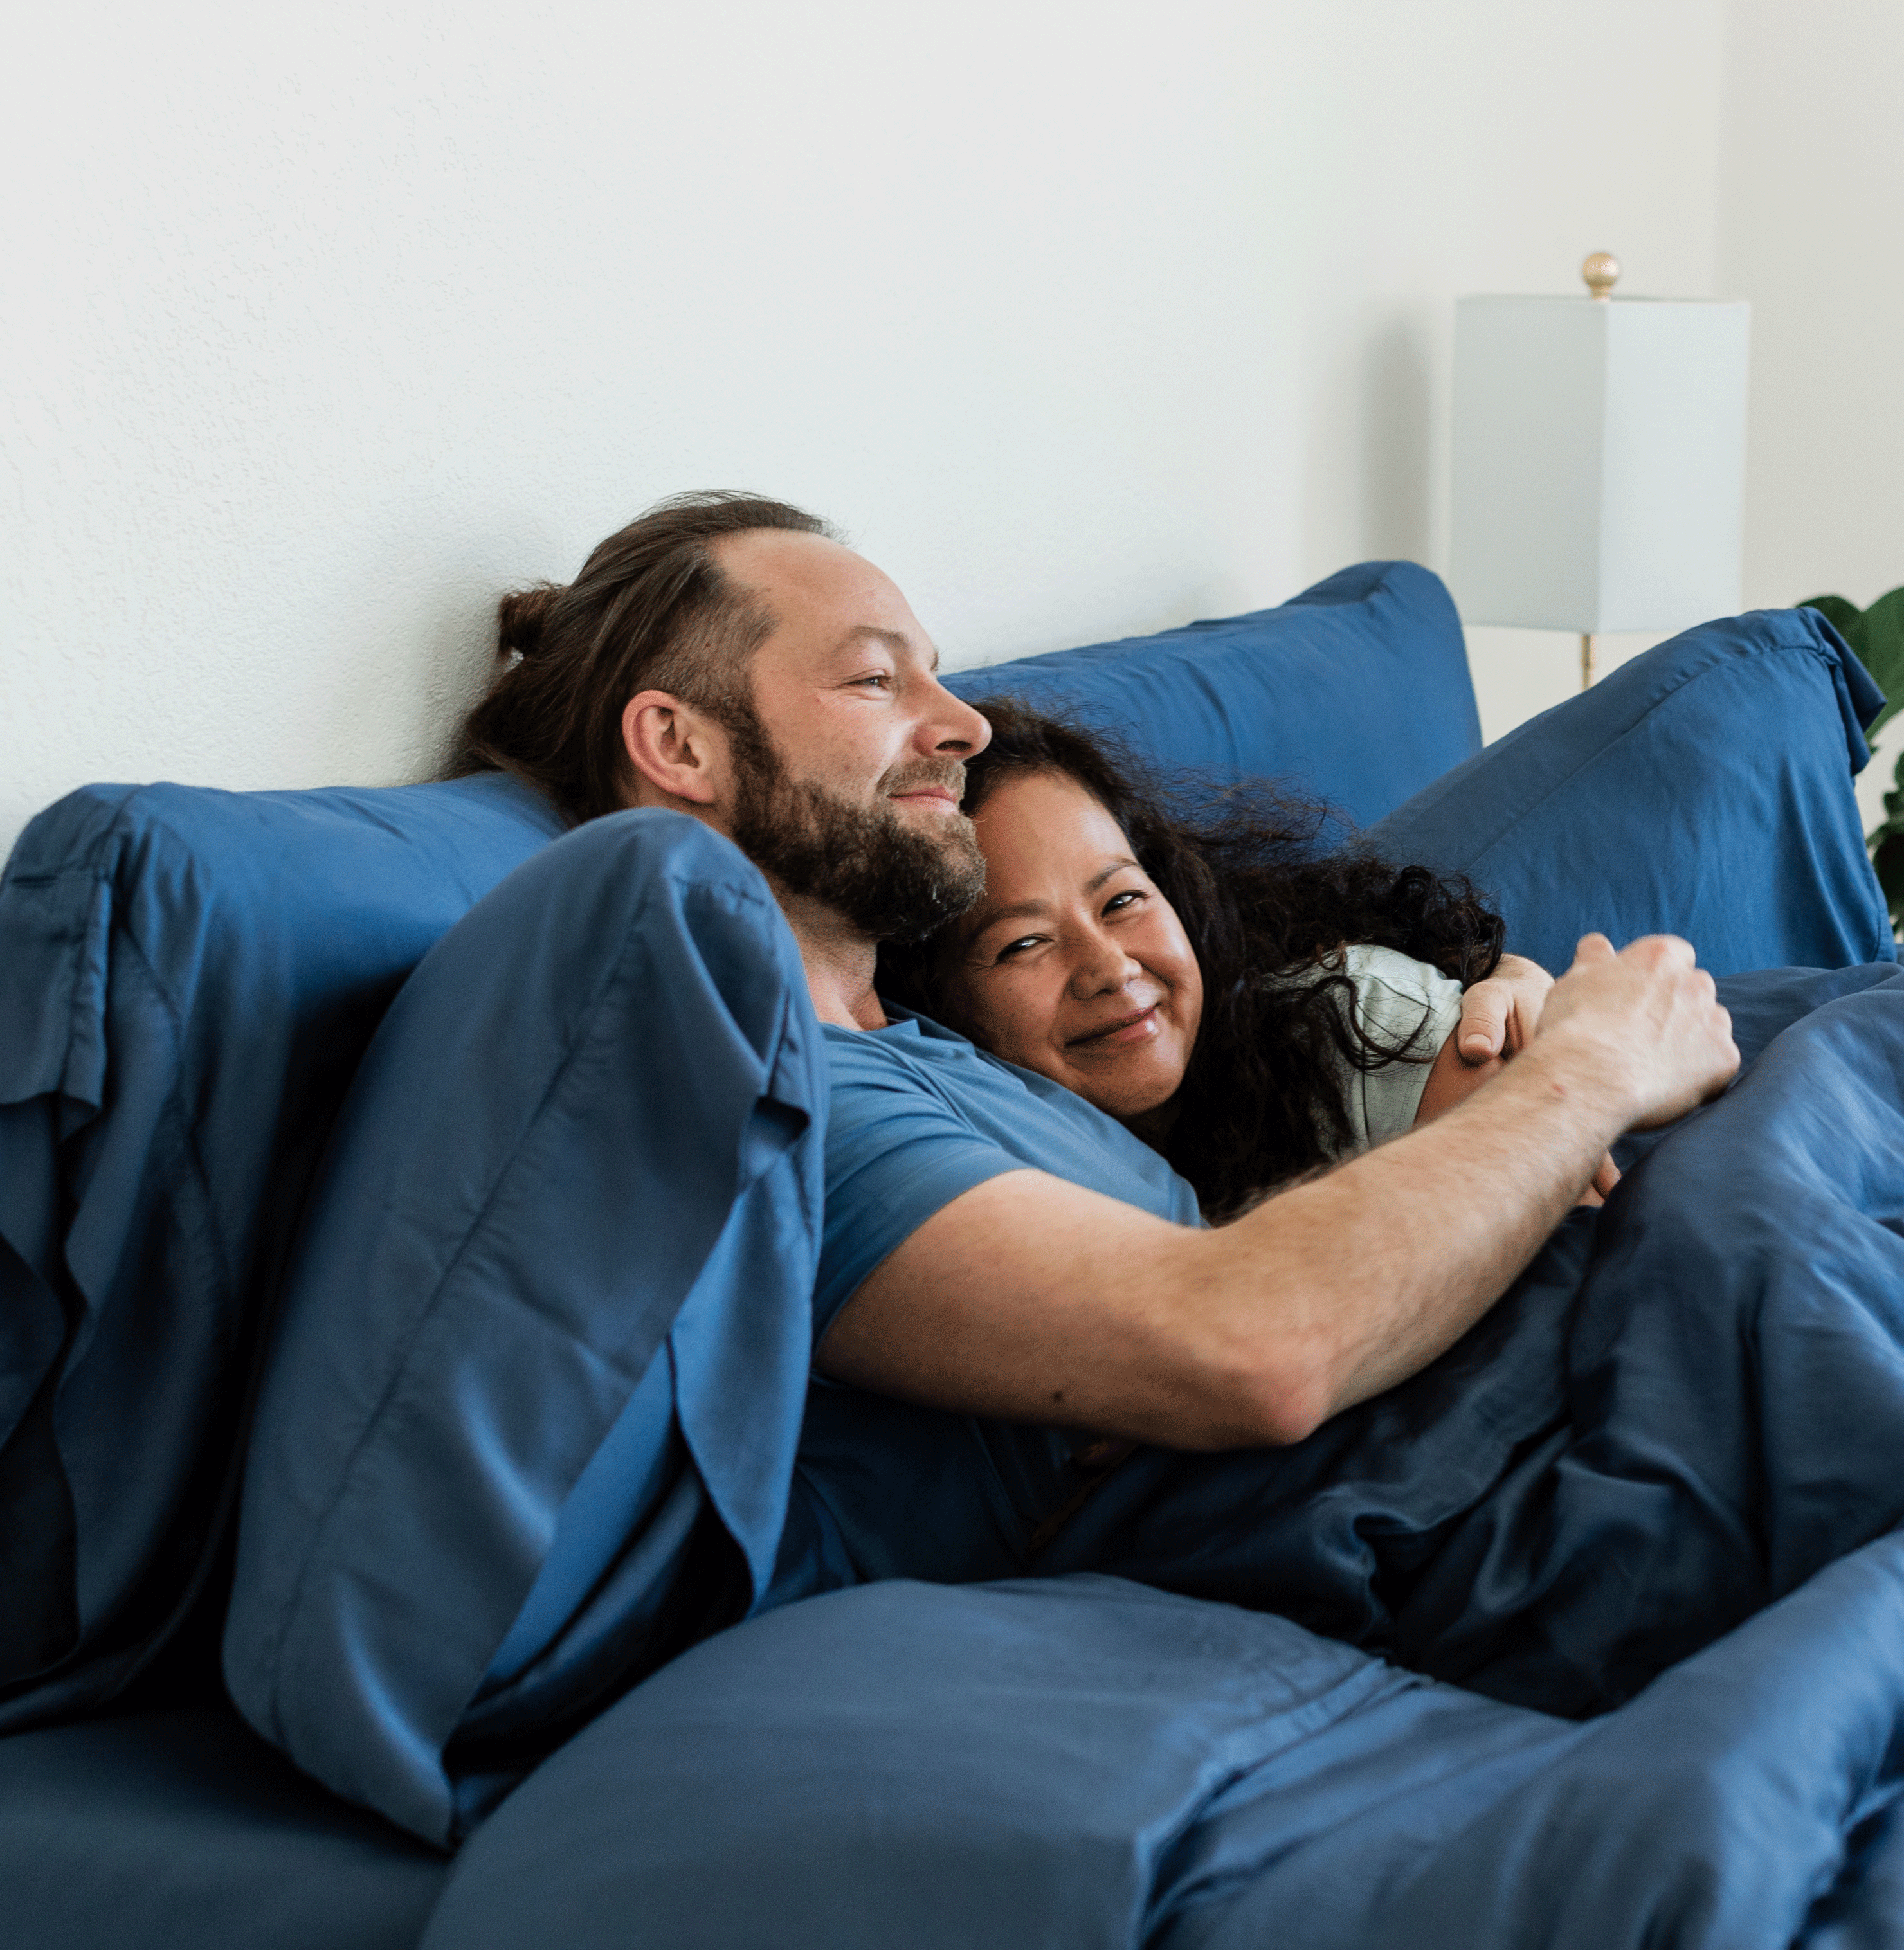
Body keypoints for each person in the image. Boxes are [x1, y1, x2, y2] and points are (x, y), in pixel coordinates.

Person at [452, 491, 1736, 1457]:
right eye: (874, 677)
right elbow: (1253, 1349)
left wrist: (1522, 1011)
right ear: (677, 742)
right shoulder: (791, 1100)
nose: (958, 726)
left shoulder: (930, 1047)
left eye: (937, 674)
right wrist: (1588, 1071)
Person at [875, 697, 1621, 1221]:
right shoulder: (949, 1164)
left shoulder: (1360, 1024)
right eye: (1022, 944)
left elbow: (1572, 1267)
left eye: (1124, 901)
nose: (1109, 968)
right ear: (933, 1002)